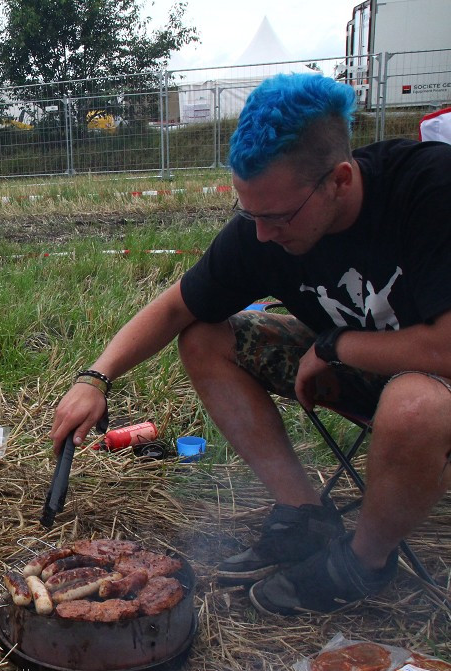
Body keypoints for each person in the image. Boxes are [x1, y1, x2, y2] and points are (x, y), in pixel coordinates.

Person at [51, 73, 451, 616]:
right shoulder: (269, 225)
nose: (262, 235)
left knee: (413, 404)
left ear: (339, 179)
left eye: (278, 216)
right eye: (250, 214)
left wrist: (336, 347)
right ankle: (303, 515)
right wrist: (93, 378)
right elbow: (174, 307)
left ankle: (363, 562)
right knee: (204, 336)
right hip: (356, 369)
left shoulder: (428, 189)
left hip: (434, 388)